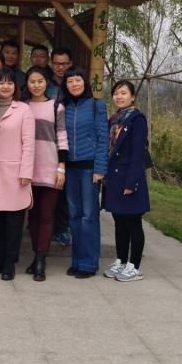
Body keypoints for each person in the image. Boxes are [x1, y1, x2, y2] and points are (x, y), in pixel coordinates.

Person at [0, 70, 35, 281]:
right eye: (1, 83)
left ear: (16, 87)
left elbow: (29, 143)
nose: (5, 87)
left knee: (13, 222)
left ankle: (9, 263)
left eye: (9, 83)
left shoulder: (23, 109)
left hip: (14, 173)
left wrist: (26, 172)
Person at [60, 67, 108, 278]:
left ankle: (89, 264)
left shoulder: (97, 105)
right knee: (74, 215)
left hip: (90, 169)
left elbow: (103, 138)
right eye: (70, 81)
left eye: (78, 80)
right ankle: (77, 261)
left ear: (85, 82)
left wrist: (100, 168)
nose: (74, 84)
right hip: (70, 168)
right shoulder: (64, 106)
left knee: (89, 216)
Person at [23, 66, 68, 282]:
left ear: (46, 83)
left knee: (47, 215)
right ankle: (36, 254)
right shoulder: (22, 106)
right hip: (27, 169)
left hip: (50, 167)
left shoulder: (56, 106)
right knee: (32, 215)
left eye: (40, 81)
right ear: (27, 83)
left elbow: (62, 137)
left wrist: (61, 167)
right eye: (32, 81)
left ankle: (41, 259)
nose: (36, 85)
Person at [102, 80, 149, 282]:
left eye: (123, 93)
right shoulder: (114, 119)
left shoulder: (137, 119)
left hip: (130, 177)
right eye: (116, 93)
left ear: (132, 97)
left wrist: (131, 183)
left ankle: (134, 266)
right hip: (114, 178)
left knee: (133, 223)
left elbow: (138, 153)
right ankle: (121, 260)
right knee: (119, 222)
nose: (119, 97)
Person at [48, 46, 74, 245]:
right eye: (57, 63)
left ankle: (62, 227)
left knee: (64, 189)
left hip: (68, 142)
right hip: (46, 142)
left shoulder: (74, 84)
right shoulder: (44, 83)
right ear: (51, 64)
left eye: (64, 64)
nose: (60, 67)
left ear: (70, 64)